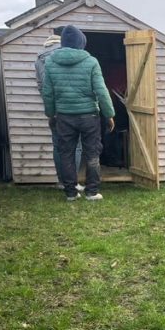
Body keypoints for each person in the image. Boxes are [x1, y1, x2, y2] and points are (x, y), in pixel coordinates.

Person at [42, 26, 116, 201]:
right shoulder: (91, 62)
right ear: (81, 43)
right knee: (92, 153)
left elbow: (48, 92)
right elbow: (101, 91)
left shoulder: (50, 62)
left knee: (66, 153)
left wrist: (50, 114)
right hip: (89, 116)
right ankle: (91, 192)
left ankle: (71, 193)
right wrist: (109, 114)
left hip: (64, 117)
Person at [35, 27, 82, 189]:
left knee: (58, 145)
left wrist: (50, 109)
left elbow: (42, 86)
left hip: (54, 109)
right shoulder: (68, 55)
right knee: (75, 146)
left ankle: (62, 182)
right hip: (73, 108)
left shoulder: (40, 57)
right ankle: (73, 183)